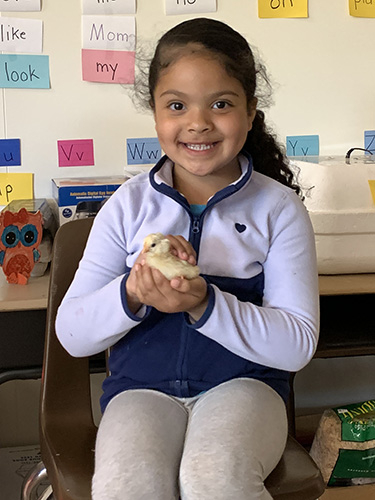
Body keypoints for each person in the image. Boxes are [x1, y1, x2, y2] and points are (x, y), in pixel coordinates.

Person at [56, 17, 319, 500]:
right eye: (177, 105)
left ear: (250, 112)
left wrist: (204, 303)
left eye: (221, 104)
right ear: (155, 114)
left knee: (213, 476)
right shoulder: (128, 206)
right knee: (127, 487)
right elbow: (73, 334)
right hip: (140, 392)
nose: (198, 122)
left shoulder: (279, 209)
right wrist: (132, 293)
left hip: (246, 389)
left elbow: (297, 344)